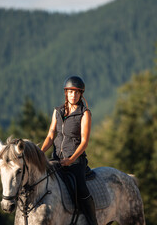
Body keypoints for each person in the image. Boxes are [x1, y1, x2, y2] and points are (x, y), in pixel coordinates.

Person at [41, 75, 98, 225]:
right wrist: (40, 153)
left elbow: (84, 141)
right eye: (70, 92)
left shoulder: (84, 113)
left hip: (75, 161)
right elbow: (51, 135)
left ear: (81, 94)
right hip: (56, 159)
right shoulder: (57, 111)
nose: (73, 95)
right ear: (66, 93)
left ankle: (92, 221)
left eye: (77, 92)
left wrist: (71, 160)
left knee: (81, 189)